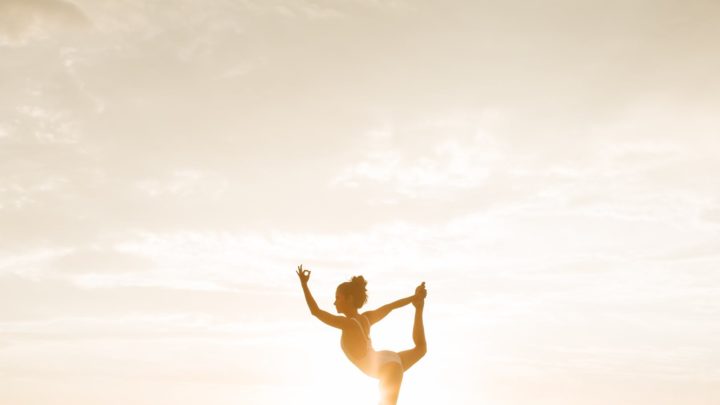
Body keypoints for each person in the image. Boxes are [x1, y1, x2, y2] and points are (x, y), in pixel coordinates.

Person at [296, 264, 427, 405]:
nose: (334, 303)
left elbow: (316, 311)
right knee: (421, 348)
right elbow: (390, 306)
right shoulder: (366, 318)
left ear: (349, 299)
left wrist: (304, 284)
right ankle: (419, 308)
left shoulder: (349, 324)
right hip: (387, 359)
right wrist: (415, 297)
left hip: (388, 367)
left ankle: (419, 306)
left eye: (338, 298)